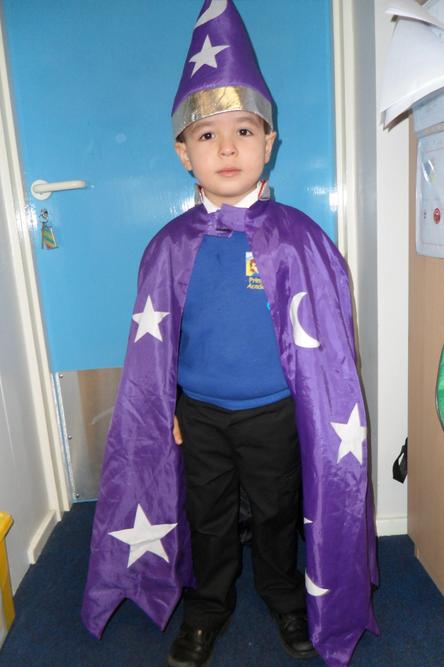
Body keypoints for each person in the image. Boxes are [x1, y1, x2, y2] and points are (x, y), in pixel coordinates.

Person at [81, 3, 378, 666]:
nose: (227, 148)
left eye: (244, 130)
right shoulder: (169, 247)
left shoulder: (299, 239)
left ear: (268, 143)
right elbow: (152, 349)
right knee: (209, 514)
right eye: (207, 135)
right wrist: (166, 407)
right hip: (201, 414)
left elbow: (328, 347)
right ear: (183, 152)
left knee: (277, 510)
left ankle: (285, 597)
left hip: (274, 409)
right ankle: (207, 608)